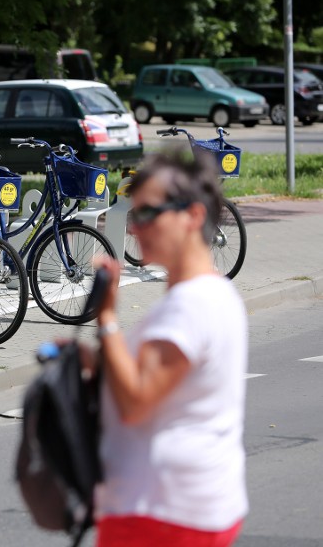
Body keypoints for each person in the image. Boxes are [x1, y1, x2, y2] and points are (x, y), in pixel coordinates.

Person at [88, 149, 248, 546]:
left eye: (147, 214)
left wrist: (106, 320)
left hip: (161, 516)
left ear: (192, 216)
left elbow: (138, 400)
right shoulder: (216, 293)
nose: (134, 227)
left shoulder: (190, 306)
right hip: (186, 508)